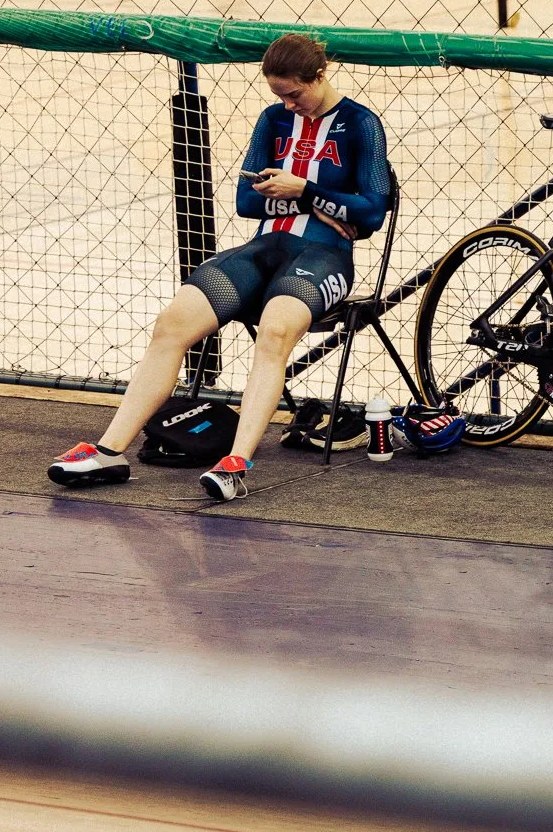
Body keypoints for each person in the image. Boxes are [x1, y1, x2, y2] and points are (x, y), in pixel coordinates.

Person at [48, 32, 389, 503]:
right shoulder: (272, 121)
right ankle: (109, 451)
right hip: (266, 249)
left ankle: (235, 464)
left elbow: (372, 213)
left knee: (273, 331)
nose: (289, 105)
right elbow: (246, 199)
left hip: (324, 257)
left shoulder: (361, 123)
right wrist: (323, 203)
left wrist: (303, 192)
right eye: (279, 95)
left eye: (295, 93)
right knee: (171, 325)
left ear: (320, 75)